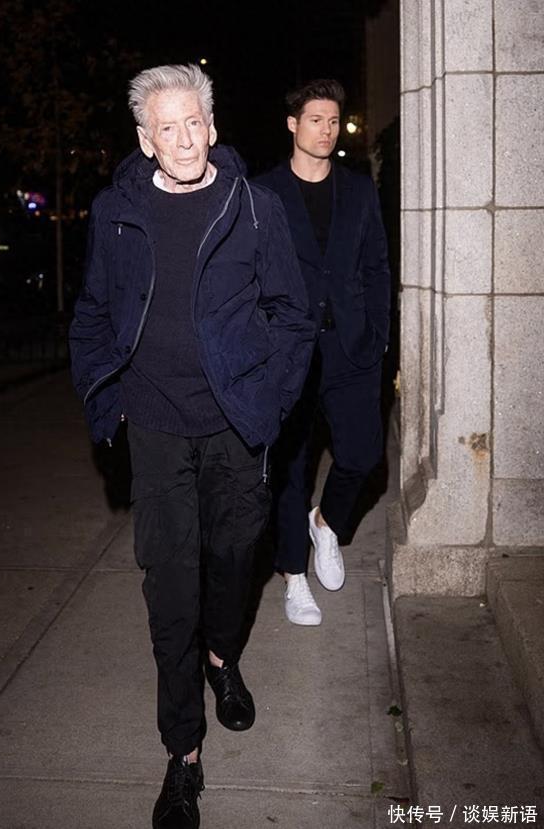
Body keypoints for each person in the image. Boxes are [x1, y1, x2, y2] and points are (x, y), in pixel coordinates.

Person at [69, 64, 315, 829]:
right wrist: (105, 401)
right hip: (154, 427)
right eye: (165, 128)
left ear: (212, 126)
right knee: (170, 587)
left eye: (193, 123)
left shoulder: (254, 207)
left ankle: (222, 655)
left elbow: (294, 314)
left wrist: (271, 402)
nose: (182, 140)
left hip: (235, 424)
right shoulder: (116, 213)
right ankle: (183, 752)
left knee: (235, 560)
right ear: (146, 140)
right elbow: (92, 314)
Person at [254, 79, 390, 627]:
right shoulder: (264, 192)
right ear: (293, 124)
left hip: (351, 345)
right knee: (291, 469)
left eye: (333, 121)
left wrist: (379, 333)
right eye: (315, 120)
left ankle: (326, 524)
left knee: (362, 454)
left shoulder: (358, 189)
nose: (326, 131)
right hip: (290, 351)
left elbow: (377, 264)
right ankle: (293, 575)